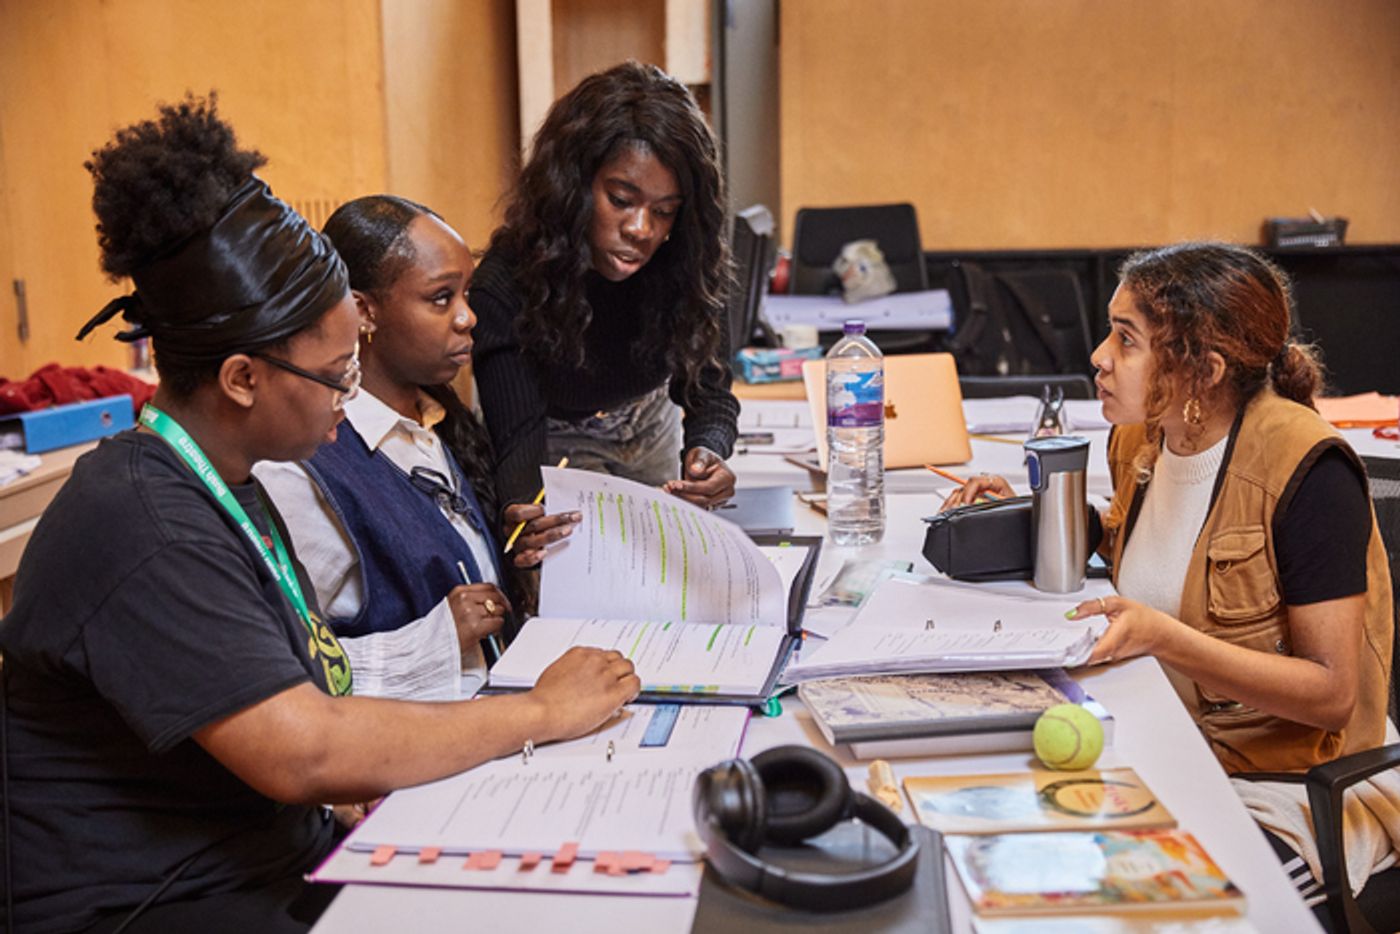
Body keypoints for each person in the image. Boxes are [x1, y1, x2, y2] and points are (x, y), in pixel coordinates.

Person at [0, 95, 639, 934]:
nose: (351, 398)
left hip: (256, 853)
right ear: (242, 378)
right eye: (338, 377)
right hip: (149, 902)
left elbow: (296, 686)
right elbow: (304, 746)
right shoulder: (141, 520)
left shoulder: (233, 484)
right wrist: (543, 714)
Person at [945, 242, 1400, 921]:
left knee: (1142, 912)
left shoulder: (1308, 471)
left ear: (1205, 370)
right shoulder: (1145, 437)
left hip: (1286, 788)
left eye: (1127, 341)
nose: (1099, 355)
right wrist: (1033, 516)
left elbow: (1333, 696)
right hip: (1171, 747)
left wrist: (1167, 639)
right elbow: (1152, 550)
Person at [255, 196, 580, 701]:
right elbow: (281, 671)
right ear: (363, 311)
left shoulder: (441, 425)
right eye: (440, 298)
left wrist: (526, 565)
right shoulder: (303, 465)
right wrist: (434, 642)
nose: (468, 318)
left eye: (467, 294)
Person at [469, 60, 739, 513]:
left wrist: (708, 451)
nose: (641, 229)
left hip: (649, 423)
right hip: (547, 436)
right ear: (573, 186)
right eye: (621, 200)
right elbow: (518, 443)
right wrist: (522, 520)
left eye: (665, 210)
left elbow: (708, 387)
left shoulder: (688, 256)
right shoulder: (506, 284)